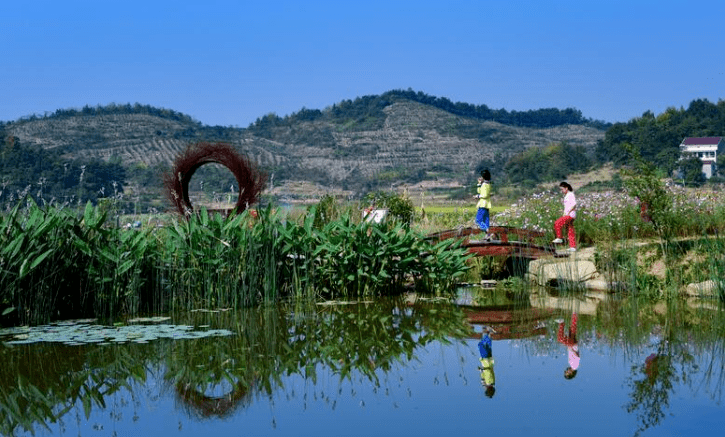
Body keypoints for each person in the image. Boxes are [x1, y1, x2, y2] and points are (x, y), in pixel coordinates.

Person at [552, 181, 577, 252]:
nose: (562, 191)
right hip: (569, 214)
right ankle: (573, 246)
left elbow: (574, 204)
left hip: (570, 215)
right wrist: (564, 213)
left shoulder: (570, 194)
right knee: (570, 229)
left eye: (562, 189)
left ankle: (560, 237)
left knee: (557, 223)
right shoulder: (567, 196)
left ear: (566, 188)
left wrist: (568, 212)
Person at [556, 313, 579, 379]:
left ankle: (574, 314)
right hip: (572, 345)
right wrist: (571, 349)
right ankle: (562, 323)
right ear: (571, 373)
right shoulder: (574, 366)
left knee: (572, 329)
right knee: (560, 339)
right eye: (567, 372)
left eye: (565, 371)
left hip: (573, 345)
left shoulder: (573, 365)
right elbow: (577, 357)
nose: (566, 370)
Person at [474, 169, 493, 240]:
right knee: (486, 220)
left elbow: (484, 195)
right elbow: (480, 191)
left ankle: (489, 232)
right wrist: (479, 184)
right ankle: (488, 235)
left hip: (483, 204)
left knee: (478, 220)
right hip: (487, 204)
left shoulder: (485, 185)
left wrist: (478, 196)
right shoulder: (488, 184)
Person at [478, 328, 496, 397]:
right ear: (487, 389)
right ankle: (488, 333)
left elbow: (485, 375)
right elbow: (488, 372)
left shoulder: (492, 382)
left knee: (488, 347)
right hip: (486, 362)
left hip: (490, 362)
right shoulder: (488, 382)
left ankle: (489, 333)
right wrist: (482, 370)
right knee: (480, 345)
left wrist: (481, 373)